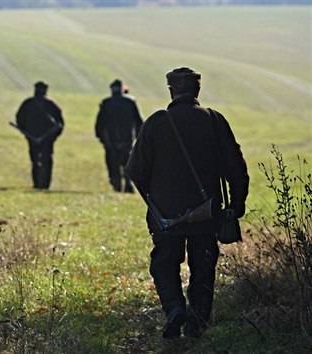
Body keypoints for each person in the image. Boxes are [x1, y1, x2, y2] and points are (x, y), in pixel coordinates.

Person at [125, 67, 249, 340]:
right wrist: (236, 205)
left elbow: (134, 170)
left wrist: (154, 201)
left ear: (171, 91)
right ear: (197, 91)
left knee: (164, 265)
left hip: (165, 216)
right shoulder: (214, 120)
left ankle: (174, 309)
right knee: (203, 270)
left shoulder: (156, 122)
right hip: (206, 214)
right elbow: (235, 167)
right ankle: (197, 331)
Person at [95, 79, 143, 193]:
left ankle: (117, 184)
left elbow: (99, 124)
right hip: (127, 140)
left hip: (110, 141)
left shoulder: (106, 103)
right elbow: (138, 121)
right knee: (127, 163)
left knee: (112, 164)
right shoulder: (130, 101)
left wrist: (101, 138)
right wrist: (139, 136)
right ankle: (128, 184)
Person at [15, 81, 64, 190]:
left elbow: (20, 120)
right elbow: (60, 124)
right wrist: (53, 137)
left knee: (35, 160)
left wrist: (27, 134)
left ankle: (38, 183)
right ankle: (44, 184)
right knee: (46, 160)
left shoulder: (28, 104)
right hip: (45, 138)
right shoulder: (51, 105)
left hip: (34, 137)